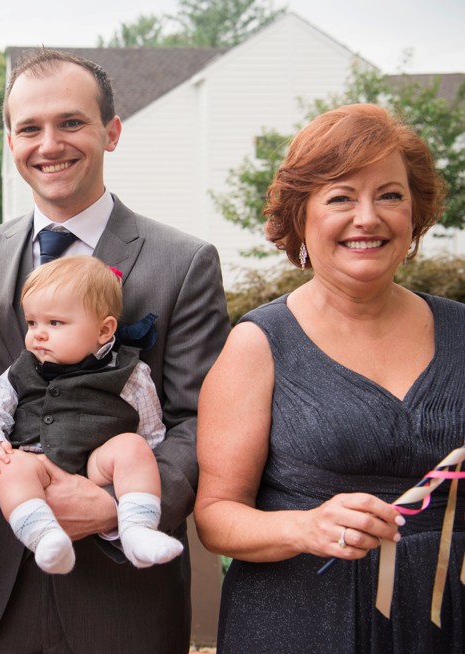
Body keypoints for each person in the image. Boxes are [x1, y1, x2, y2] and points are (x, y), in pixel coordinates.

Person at [0, 48, 231, 654]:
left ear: (111, 132)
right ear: (10, 141)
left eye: (71, 122)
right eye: (29, 128)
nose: (49, 143)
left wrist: (112, 508)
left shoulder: (183, 264)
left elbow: (198, 423)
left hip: (124, 596)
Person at [194, 104, 464, 653]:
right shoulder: (258, 344)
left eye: (389, 195)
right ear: (301, 215)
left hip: (448, 615)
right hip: (307, 622)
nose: (368, 217)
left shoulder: (461, 330)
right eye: (341, 197)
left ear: (415, 213)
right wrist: (304, 527)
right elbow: (215, 519)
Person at [0, 255, 182, 575]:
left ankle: (138, 528)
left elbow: (153, 434)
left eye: (54, 323)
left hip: (98, 466)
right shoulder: (21, 370)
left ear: (104, 330)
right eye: (32, 323)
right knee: (8, 466)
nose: (38, 334)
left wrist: (133, 466)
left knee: (133, 447)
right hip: (35, 463)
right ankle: (43, 536)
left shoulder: (131, 373)